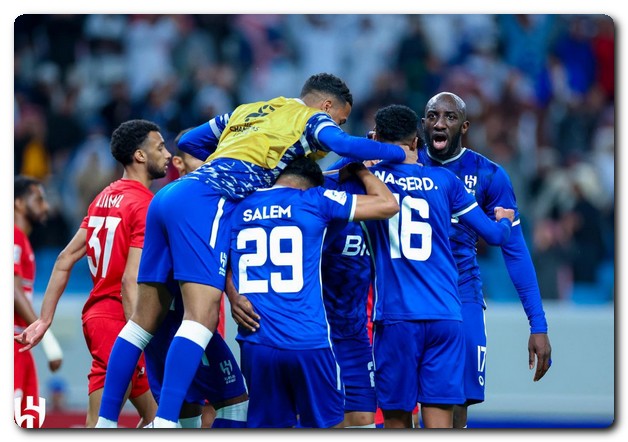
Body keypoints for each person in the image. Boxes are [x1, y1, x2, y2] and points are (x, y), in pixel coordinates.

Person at [96, 72, 409, 428]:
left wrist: (234, 163)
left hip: (170, 196)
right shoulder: (310, 119)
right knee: (201, 318)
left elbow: (189, 141)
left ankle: (105, 424)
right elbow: (348, 146)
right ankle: (165, 423)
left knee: (141, 323)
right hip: (203, 200)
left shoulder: (248, 110)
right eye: (340, 117)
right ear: (327, 105)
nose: (338, 125)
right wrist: (399, 150)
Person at [351, 104, 514, 428]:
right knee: (441, 425)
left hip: (397, 318)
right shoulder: (445, 181)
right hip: (445, 316)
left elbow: (329, 171)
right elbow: (495, 236)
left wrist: (362, 160)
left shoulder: (369, 179)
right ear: (416, 141)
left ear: (377, 140)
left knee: (398, 422)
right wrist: (506, 222)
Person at [15, 119, 171, 427]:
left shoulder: (103, 198)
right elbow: (130, 280)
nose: (167, 154)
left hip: (99, 317)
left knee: (157, 417)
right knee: (103, 424)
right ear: (140, 156)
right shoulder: (145, 205)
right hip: (120, 321)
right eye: (160, 147)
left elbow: (65, 258)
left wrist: (44, 319)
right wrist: (138, 335)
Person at [227, 155, 400, 427]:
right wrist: (359, 171)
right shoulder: (314, 200)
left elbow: (221, 259)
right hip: (307, 339)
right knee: (329, 425)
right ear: (311, 185)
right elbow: (388, 204)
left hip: (256, 339)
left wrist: (232, 294)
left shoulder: (239, 205)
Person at [418, 92, 552, 428]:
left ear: (464, 126)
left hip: (462, 295)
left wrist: (538, 324)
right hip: (411, 295)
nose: (439, 122)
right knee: (403, 405)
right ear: (423, 123)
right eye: (433, 115)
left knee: (458, 403)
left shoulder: (490, 175)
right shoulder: (405, 166)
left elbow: (516, 252)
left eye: (449, 117)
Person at [318, 167, 377, 428]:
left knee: (365, 418)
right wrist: (355, 165)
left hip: (357, 335)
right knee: (333, 420)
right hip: (326, 333)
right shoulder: (325, 202)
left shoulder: (384, 206)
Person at [14, 175, 63, 428]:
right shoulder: (11, 235)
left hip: (21, 344)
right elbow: (10, 290)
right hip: (12, 345)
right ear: (19, 203)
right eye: (39, 199)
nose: (45, 207)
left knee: (27, 422)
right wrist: (49, 341)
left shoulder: (21, 241)